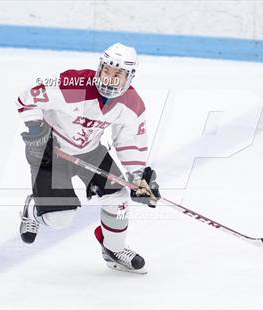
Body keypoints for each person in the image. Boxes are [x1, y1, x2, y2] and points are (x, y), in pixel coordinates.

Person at [16, 43, 160, 274]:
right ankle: (33, 206)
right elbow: (26, 98)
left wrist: (137, 178)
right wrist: (36, 131)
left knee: (120, 198)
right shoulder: (73, 84)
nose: (110, 78)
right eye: (106, 71)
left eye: (118, 74)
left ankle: (113, 249)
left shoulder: (132, 104)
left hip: (90, 151)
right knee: (59, 220)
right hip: (50, 152)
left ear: (130, 77)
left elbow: (130, 141)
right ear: (99, 68)